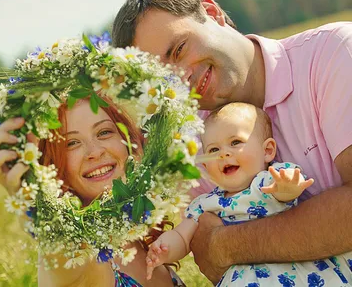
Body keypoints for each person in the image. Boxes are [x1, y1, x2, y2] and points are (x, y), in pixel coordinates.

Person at [112, 0, 352, 283]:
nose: (180, 78)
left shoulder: (334, 53)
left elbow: (216, 248)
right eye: (162, 79)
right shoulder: (195, 145)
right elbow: (210, 260)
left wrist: (226, 244)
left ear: (211, 13)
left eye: (179, 50)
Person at [0, 97, 185, 286]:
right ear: (51, 166)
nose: (94, 152)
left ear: (128, 142)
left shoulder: (138, 235)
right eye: (71, 143)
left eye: (104, 132)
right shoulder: (77, 258)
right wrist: (30, 195)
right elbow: (59, 246)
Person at [145, 102, 352, 286]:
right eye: (214, 149)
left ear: (268, 151)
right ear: (207, 166)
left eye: (235, 142)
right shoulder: (205, 205)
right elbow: (183, 236)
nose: (224, 153)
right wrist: (165, 248)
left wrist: (288, 187)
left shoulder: (269, 181)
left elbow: (286, 192)